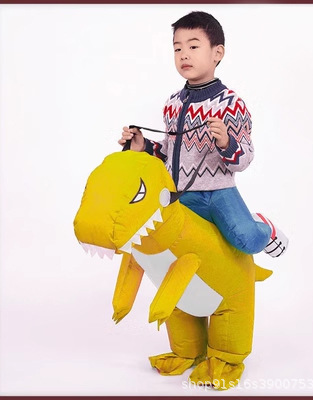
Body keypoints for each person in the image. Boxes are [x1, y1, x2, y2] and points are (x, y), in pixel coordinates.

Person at [119, 11, 286, 256]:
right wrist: (143, 145)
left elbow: (245, 159)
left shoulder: (231, 104)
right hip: (181, 194)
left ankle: (263, 226)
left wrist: (227, 143)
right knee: (168, 243)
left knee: (247, 240)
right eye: (177, 49)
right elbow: (169, 153)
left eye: (193, 46)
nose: (184, 54)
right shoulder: (173, 103)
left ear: (217, 53)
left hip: (219, 193)